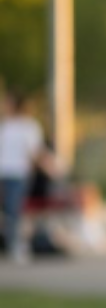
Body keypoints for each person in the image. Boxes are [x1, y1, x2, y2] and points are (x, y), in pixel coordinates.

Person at [0, 90, 47, 263]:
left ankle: (15, 246)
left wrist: (49, 167)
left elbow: (35, 151)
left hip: (18, 173)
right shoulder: (4, 125)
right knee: (8, 212)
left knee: (13, 211)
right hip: (2, 172)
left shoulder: (28, 126)